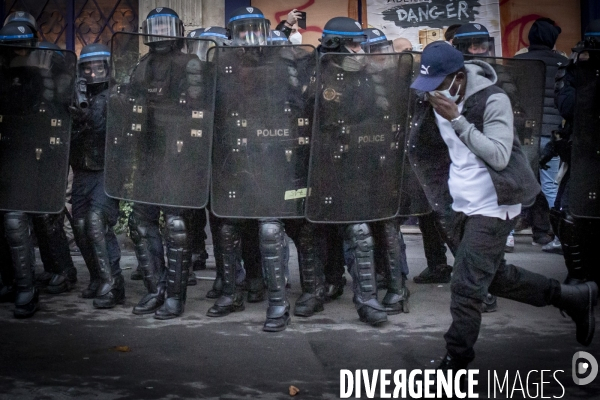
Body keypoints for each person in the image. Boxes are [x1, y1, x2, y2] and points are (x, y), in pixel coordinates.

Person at [408, 41, 597, 370]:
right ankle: (572, 298)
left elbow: (497, 154)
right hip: (459, 202)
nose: (432, 92)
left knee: (466, 283)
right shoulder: (433, 97)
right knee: (492, 276)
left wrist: (457, 119)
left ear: (458, 78)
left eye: (437, 85)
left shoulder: (493, 98)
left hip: (497, 202)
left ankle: (457, 360)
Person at [207, 7, 326, 332]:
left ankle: (278, 302)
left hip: (277, 158)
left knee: (273, 227)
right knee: (229, 226)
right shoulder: (225, 68)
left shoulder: (283, 62)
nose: (248, 38)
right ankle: (233, 292)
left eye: (253, 30)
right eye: (241, 31)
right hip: (238, 159)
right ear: (233, 37)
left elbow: (298, 107)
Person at [121, 7, 199, 319]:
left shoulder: (189, 64)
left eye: (167, 28)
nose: (162, 35)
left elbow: (199, 108)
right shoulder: (142, 66)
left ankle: (175, 297)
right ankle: (156, 289)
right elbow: (132, 104)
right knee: (141, 222)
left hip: (178, 155)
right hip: (148, 153)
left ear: (178, 30)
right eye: (157, 28)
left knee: (176, 225)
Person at [0, 22, 77, 317]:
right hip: (5, 153)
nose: (17, 52)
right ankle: (11, 281)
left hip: (30, 155)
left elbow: (55, 110)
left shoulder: (42, 71)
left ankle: (26, 289)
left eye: (21, 46)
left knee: (18, 220)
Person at [69, 43, 123, 308]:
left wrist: (87, 117)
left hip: (106, 169)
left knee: (95, 223)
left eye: (98, 66)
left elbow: (112, 132)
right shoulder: (78, 95)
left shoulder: (116, 95)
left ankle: (113, 284)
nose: (93, 72)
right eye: (87, 67)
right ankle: (96, 277)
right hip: (82, 169)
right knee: (79, 226)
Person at [514, 18, 568, 254]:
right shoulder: (563, 63)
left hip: (524, 133)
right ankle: (559, 237)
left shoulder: (516, 62)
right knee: (550, 187)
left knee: (515, 184)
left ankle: (505, 237)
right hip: (551, 135)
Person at [553, 19, 600, 285]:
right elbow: (568, 107)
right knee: (567, 216)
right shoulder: (572, 72)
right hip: (581, 153)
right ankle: (579, 275)